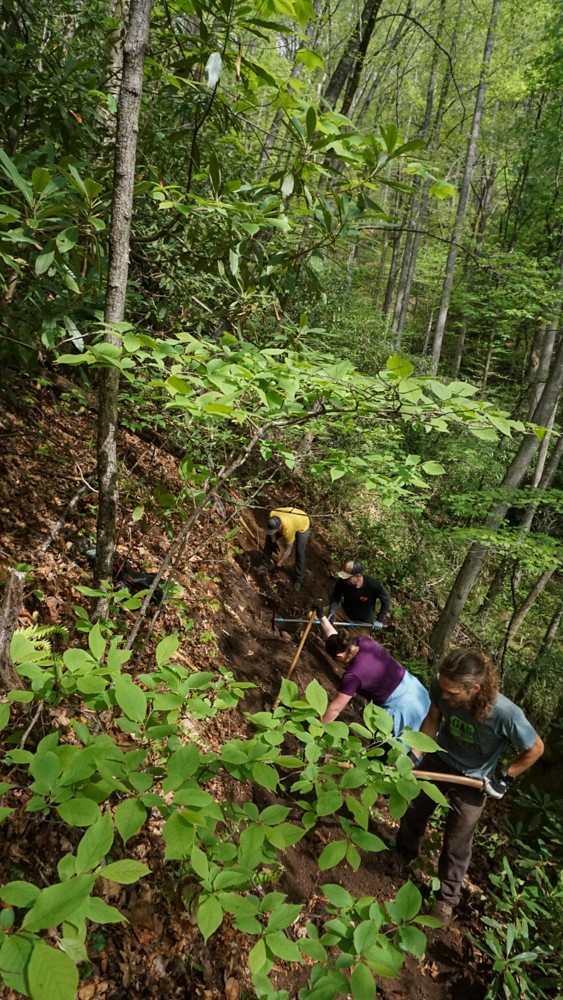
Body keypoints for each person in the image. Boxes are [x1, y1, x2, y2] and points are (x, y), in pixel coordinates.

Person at [396, 647, 544, 926]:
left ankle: (446, 900)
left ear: (475, 689)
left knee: (457, 841)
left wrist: (505, 777)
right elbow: (432, 719)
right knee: (414, 809)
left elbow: (536, 748)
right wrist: (415, 754)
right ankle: (401, 857)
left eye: (452, 692)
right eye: (443, 688)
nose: (445, 695)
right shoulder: (441, 686)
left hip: (473, 782)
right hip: (440, 760)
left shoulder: (506, 714)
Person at [313, 604, 430, 737]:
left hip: (402, 708)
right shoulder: (363, 641)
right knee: (427, 736)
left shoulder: (353, 675)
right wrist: (322, 616)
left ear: (339, 657)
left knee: (401, 748)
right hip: (415, 689)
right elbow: (335, 638)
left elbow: (335, 709)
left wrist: (316, 732)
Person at [328, 560, 390, 636]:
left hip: (361, 622)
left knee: (354, 646)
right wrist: (332, 610)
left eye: (348, 577)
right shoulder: (343, 581)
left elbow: (386, 599)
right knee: (315, 615)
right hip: (344, 612)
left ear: (358, 576)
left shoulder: (373, 585)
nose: (346, 579)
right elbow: (335, 596)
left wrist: (379, 619)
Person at [258, 506, 310, 592]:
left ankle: (299, 580)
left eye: (275, 530)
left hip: (303, 522)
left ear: (281, 526)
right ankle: (264, 565)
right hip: (291, 516)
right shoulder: (272, 514)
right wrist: (273, 542)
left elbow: (288, 550)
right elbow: (271, 533)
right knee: (269, 540)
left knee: (300, 552)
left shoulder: (288, 529)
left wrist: (279, 564)